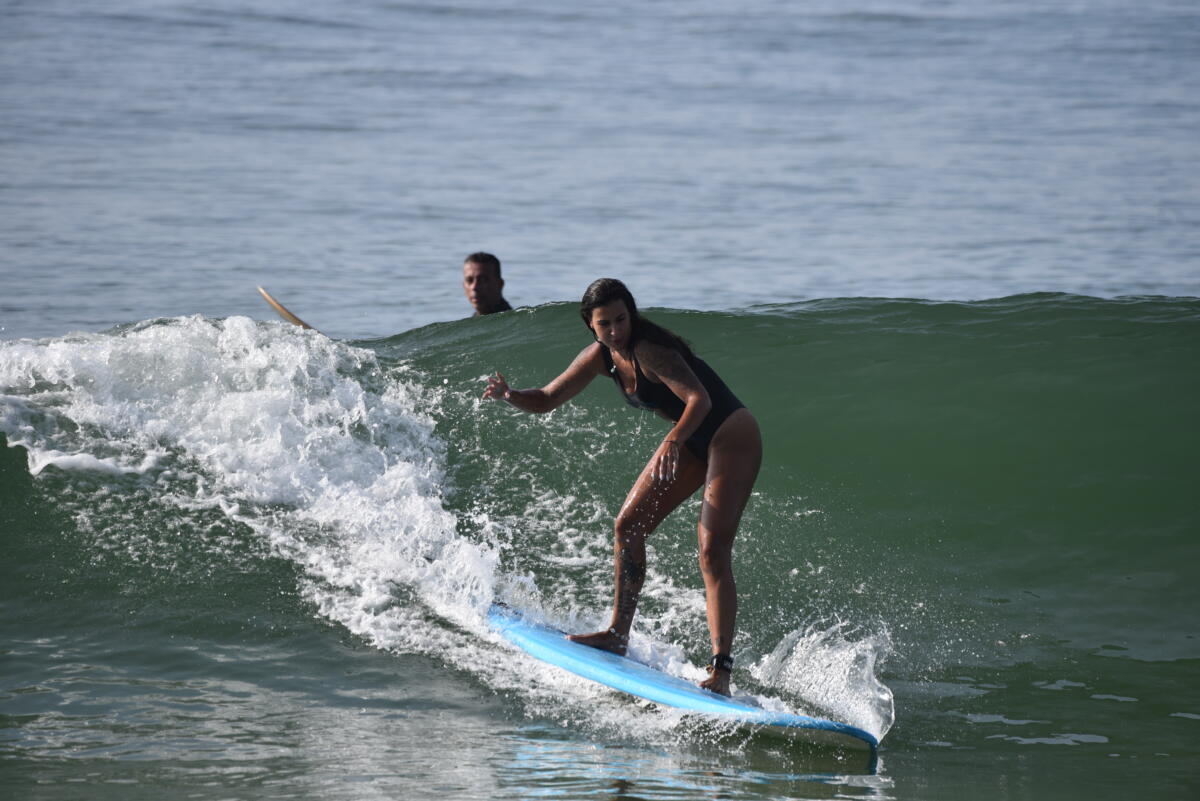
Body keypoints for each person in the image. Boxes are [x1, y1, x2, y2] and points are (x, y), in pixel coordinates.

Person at [482, 278, 761, 695]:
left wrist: (672, 440)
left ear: (631, 315)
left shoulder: (649, 349)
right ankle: (617, 634)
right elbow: (546, 399)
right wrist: (510, 395)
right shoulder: (601, 357)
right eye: (604, 324)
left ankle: (720, 672)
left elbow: (699, 399)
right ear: (590, 326)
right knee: (627, 527)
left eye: (621, 319)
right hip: (689, 439)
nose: (615, 330)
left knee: (711, 551)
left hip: (730, 435)